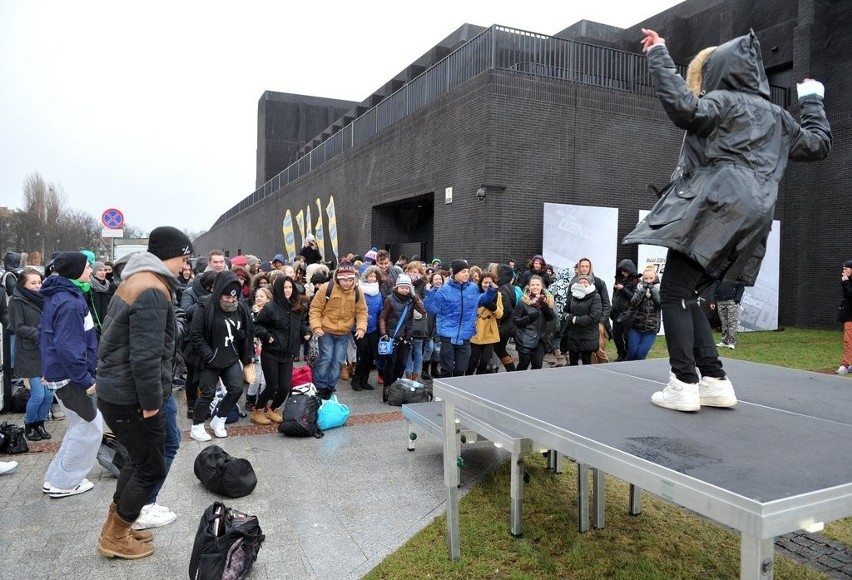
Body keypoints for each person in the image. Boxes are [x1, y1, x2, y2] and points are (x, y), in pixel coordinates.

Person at [624, 29, 831, 411]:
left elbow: (683, 107)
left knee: (673, 292)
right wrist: (812, 99)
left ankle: (683, 382)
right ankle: (714, 380)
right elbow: (818, 145)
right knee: (689, 294)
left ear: (721, 70)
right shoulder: (778, 119)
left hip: (716, 206)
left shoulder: (722, 103)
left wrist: (658, 54)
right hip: (755, 215)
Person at [95, 226, 193, 558]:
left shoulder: (138, 279)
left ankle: (116, 528)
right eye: (184, 258)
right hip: (132, 397)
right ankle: (116, 536)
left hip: (120, 391)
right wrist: (151, 405)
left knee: (139, 462)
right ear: (173, 255)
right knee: (150, 466)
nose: (185, 266)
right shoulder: (152, 289)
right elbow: (146, 356)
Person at [40, 252, 102, 498]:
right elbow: (68, 346)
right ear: (75, 271)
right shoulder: (69, 302)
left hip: (63, 374)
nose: (91, 270)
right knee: (89, 427)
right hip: (71, 377)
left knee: (79, 425)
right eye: (87, 266)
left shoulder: (63, 296)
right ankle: (63, 483)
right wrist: (85, 379)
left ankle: (57, 477)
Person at [189, 270, 255, 440]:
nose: (230, 300)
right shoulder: (204, 307)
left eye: (233, 297)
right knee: (207, 393)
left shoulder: (240, 308)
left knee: (236, 389)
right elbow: (195, 334)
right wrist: (209, 356)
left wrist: (247, 356)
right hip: (210, 359)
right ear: (218, 293)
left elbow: (247, 332)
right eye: (226, 297)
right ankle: (196, 426)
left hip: (230, 357)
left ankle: (219, 419)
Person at [251, 277, 311, 424]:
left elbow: (301, 322)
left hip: (288, 352)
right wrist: (267, 336)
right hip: (271, 352)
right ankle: (257, 411)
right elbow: (257, 326)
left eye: (290, 287)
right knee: (272, 386)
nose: (288, 290)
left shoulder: (296, 306)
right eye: (285, 288)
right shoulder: (270, 307)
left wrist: (305, 331)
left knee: (284, 387)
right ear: (278, 289)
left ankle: (273, 409)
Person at [424, 259, 497, 377]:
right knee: (447, 370)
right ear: (456, 273)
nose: (467, 274)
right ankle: (444, 394)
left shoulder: (473, 288)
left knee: (460, 370)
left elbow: (480, 301)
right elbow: (433, 309)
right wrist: (429, 293)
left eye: (468, 271)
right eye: (463, 271)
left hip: (465, 336)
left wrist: (491, 291)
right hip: (447, 335)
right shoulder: (445, 289)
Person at [309, 261, 367, 399]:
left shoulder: (357, 292)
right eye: (344, 280)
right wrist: (316, 326)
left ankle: (330, 386)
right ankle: (320, 386)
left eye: (350, 280)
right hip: (326, 331)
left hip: (344, 332)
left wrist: (361, 328)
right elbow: (315, 309)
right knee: (326, 358)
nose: (347, 283)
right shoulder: (326, 288)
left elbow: (362, 312)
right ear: (338, 279)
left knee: (338, 362)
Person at [9, 268, 51, 441]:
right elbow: (17, 327)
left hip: (45, 352)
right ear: (23, 284)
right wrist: (38, 334)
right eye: (33, 283)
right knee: (38, 394)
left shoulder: (43, 299)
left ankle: (40, 424)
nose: (37, 286)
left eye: (39, 282)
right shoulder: (17, 300)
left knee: (48, 396)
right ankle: (29, 425)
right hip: (28, 352)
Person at [379, 273, 425, 387]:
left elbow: (423, 311)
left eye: (407, 288)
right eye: (402, 287)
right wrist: (384, 333)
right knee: (391, 364)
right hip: (392, 336)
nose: (404, 290)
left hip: (406, 337)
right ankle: (387, 387)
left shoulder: (411, 300)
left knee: (402, 365)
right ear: (397, 287)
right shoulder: (389, 299)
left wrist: (414, 296)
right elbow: (383, 317)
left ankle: (396, 386)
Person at [572, 258, 612, 364]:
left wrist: (601, 322)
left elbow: (607, 304)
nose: (584, 268)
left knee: (599, 350)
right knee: (585, 353)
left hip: (596, 322)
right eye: (582, 266)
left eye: (587, 266)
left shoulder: (599, 282)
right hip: (578, 323)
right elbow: (569, 302)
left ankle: (605, 371)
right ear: (579, 267)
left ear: (590, 267)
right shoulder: (573, 283)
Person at [512, 275, 553, 370]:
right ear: (529, 287)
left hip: (540, 339)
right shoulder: (523, 302)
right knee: (523, 364)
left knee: (538, 365)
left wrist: (546, 309)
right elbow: (515, 321)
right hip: (525, 339)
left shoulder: (546, 301)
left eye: (537, 285)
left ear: (542, 286)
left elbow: (551, 318)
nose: (535, 287)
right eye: (533, 285)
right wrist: (528, 318)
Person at [351, 265, 383, 391]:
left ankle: (364, 380)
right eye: (370, 276)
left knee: (372, 355)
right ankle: (356, 380)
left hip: (373, 327)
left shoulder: (378, 292)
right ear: (365, 277)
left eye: (374, 276)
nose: (373, 278)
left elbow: (380, 309)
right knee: (364, 354)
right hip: (358, 327)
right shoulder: (358, 291)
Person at [467, 272, 503, 374]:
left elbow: (500, 314)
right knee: (473, 360)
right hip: (476, 330)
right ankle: (467, 377)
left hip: (489, 331)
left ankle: (480, 379)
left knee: (485, 360)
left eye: (490, 283)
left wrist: (493, 307)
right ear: (480, 282)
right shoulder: (475, 294)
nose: (487, 285)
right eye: (485, 282)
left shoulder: (498, 295)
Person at [563, 274, 603, 366]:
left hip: (588, 334)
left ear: (590, 283)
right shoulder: (573, 295)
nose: (583, 284)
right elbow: (565, 310)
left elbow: (594, 316)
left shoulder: (595, 296)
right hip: (573, 334)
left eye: (585, 282)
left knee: (586, 362)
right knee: (573, 363)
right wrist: (566, 317)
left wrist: (575, 320)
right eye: (580, 282)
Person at [627, 266, 662, 361]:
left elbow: (660, 304)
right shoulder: (639, 287)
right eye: (646, 278)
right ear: (643, 279)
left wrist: (653, 290)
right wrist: (642, 291)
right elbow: (633, 303)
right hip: (636, 327)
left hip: (651, 329)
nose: (648, 281)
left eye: (651, 278)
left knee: (641, 354)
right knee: (632, 354)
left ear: (655, 278)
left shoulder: (660, 289)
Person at [610, 259, 640, 362]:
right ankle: (621, 354)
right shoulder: (619, 279)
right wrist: (613, 308)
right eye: (622, 271)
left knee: (627, 336)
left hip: (628, 313)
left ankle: (627, 355)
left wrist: (623, 289)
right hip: (617, 312)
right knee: (616, 335)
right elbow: (615, 296)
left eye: (625, 271)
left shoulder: (636, 281)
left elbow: (634, 298)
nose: (623, 273)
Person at [711, 281, 745, 350]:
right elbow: (713, 288)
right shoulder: (720, 275)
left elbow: (741, 287)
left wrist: (737, 300)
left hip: (731, 301)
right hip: (720, 301)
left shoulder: (737, 275)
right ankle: (725, 341)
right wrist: (712, 301)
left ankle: (731, 342)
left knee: (732, 322)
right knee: (723, 322)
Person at [837, 260, 852, 375]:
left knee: (848, 340)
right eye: (843, 269)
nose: (844, 271)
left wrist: (846, 282)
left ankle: (846, 364)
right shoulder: (847, 282)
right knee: (849, 340)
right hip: (848, 315)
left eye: (846, 269)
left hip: (850, 316)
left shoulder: (848, 282)